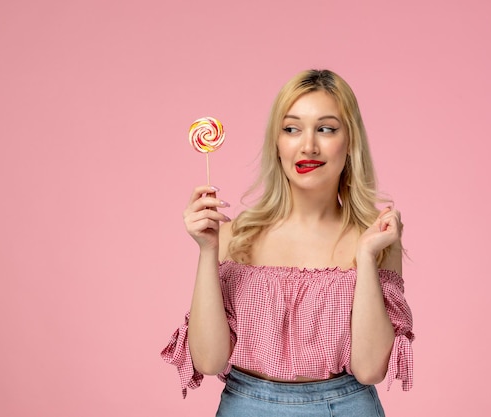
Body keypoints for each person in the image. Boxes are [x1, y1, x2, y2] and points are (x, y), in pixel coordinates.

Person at [161, 69, 414, 416]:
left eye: (326, 129)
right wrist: (208, 250)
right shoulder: (236, 236)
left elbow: (371, 369)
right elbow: (207, 360)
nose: (308, 145)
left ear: (350, 141)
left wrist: (367, 256)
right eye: (292, 128)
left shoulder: (376, 238)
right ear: (277, 144)